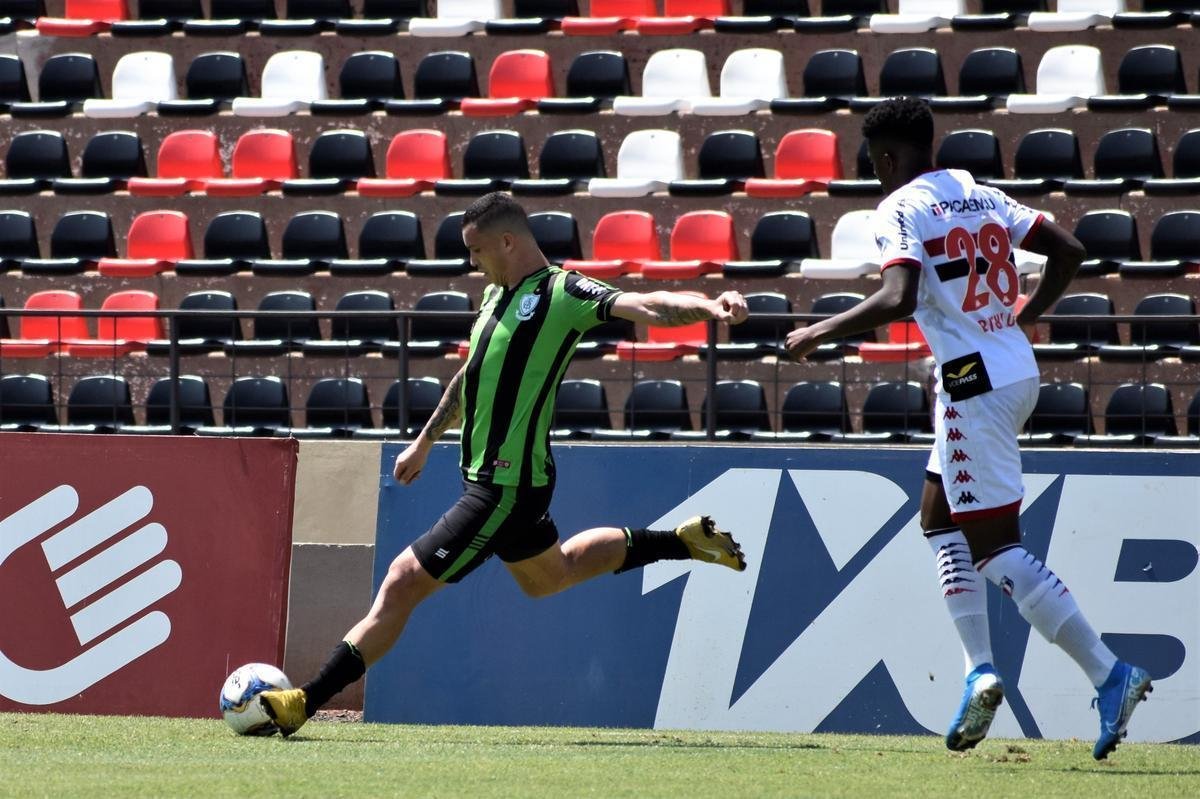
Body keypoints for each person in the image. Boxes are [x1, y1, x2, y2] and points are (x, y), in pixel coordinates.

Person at [260, 192, 750, 736]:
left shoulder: (563, 292)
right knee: (550, 576)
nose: (472, 262)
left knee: (401, 582)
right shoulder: (494, 296)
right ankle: (681, 542)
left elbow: (647, 305)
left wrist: (710, 307)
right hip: (505, 482)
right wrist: (424, 442)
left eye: (476, 250)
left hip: (505, 485)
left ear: (508, 241)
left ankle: (304, 700)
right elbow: (471, 377)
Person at [785, 97, 1151, 759]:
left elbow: (898, 297)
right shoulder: (974, 191)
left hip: (973, 385)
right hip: (1012, 365)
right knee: (936, 516)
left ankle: (1108, 671)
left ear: (889, 158)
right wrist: (1027, 311)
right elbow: (1068, 248)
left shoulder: (898, 207)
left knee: (997, 550)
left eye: (873, 163)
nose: (875, 175)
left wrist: (820, 330)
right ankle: (979, 669)